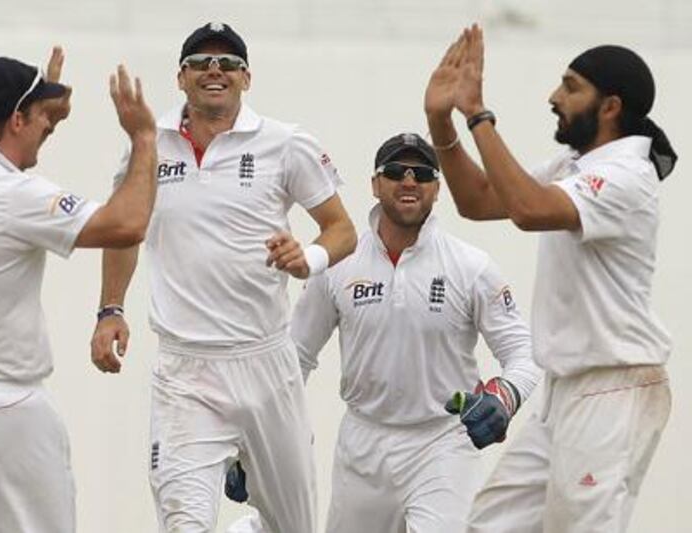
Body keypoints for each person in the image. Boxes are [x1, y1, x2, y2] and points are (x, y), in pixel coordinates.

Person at [90, 22, 357, 532]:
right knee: (184, 523)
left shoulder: (285, 143)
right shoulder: (149, 147)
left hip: (265, 364)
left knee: (293, 525)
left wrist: (310, 259)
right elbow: (125, 230)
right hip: (185, 372)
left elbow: (341, 229)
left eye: (229, 63)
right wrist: (111, 310)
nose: (216, 70)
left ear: (246, 79)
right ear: (182, 77)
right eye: (202, 63)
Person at [424, 25, 676, 532]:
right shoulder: (576, 162)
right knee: (489, 526)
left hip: (612, 389)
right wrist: (441, 121)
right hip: (565, 391)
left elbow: (528, 209)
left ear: (609, 107)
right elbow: (478, 201)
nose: (554, 97)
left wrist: (477, 113)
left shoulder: (627, 176)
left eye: (570, 86)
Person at [226, 132, 540, 533]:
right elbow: (294, 359)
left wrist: (505, 395)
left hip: (442, 442)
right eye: (395, 171)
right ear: (375, 184)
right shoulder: (339, 265)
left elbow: (525, 353)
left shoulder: (471, 266)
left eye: (422, 173)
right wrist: (251, 443)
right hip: (363, 445)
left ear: (437, 189)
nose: (409, 181)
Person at [0, 47, 157, 533]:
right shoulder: (16, 196)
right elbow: (126, 225)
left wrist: (47, 117)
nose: (48, 123)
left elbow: (5, 183)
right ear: (16, 119)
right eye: (40, 115)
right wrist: (143, 137)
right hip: (6, 417)